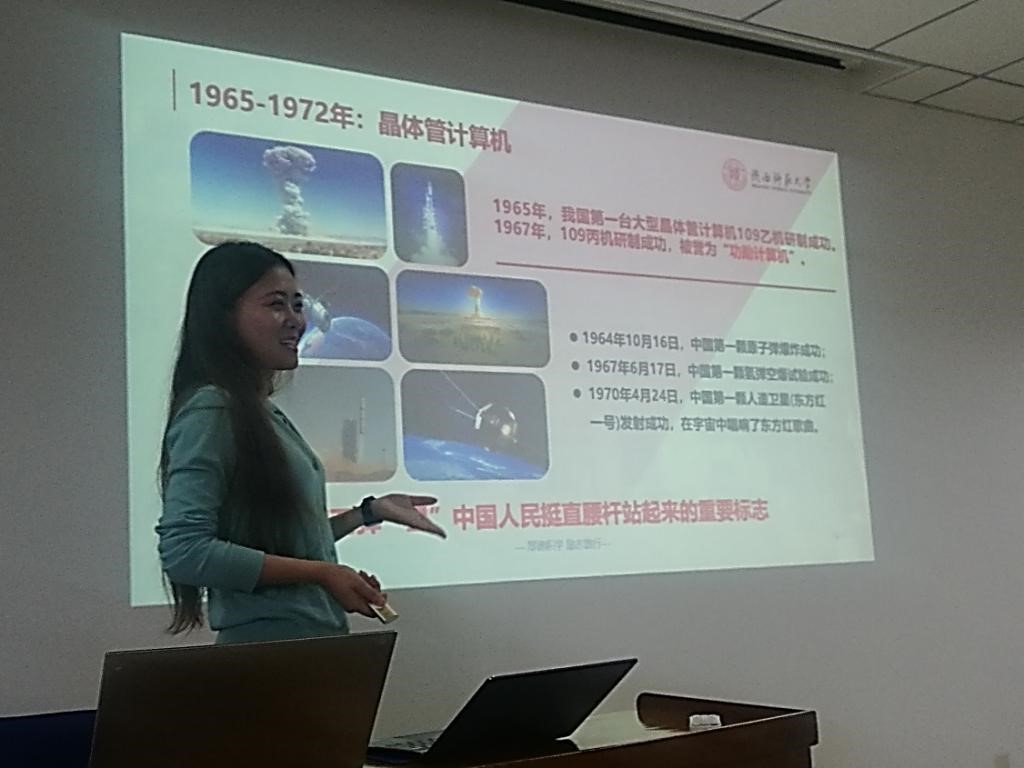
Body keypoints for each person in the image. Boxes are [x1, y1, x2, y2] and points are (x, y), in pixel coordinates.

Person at [156, 241, 445, 644]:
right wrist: (324, 574)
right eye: (276, 305)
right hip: (268, 654)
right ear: (223, 317)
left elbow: (284, 543)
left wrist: (367, 512)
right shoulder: (212, 410)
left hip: (306, 646)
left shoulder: (257, 411)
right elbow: (185, 552)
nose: (296, 320)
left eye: (297, 305)